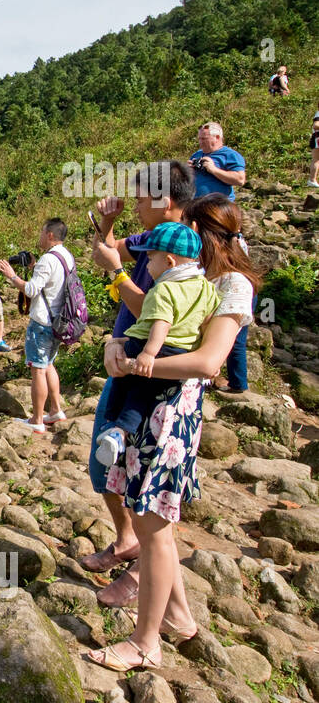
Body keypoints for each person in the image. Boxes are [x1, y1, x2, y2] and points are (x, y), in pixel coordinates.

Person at [84, 193, 260, 672]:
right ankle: (178, 618)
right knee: (151, 519)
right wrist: (115, 347)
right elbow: (151, 318)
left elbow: (207, 361)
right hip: (153, 399)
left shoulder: (233, 286)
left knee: (154, 527)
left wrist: (141, 365)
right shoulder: (195, 279)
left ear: (206, 234)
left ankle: (144, 644)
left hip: (171, 412)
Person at [83, 159, 193, 604]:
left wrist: (115, 273)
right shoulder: (150, 238)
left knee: (139, 474)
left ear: (166, 200)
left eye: (143, 196)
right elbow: (104, 252)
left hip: (151, 374)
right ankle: (128, 541)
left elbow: (159, 309)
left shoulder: (185, 246)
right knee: (105, 464)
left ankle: (147, 571)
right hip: (125, 359)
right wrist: (107, 224)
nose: (138, 204)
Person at [94, 222, 219, 466]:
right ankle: (121, 432)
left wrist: (148, 354)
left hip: (148, 345)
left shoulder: (164, 289)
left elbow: (161, 322)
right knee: (141, 392)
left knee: (122, 382)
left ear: (170, 262)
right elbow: (207, 319)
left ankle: (113, 426)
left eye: (150, 259)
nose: (147, 265)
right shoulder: (206, 287)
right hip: (178, 353)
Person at [0, 219, 73, 434]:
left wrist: (12, 276)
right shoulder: (65, 256)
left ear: (49, 234)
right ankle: (56, 410)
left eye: (41, 231)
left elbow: (30, 290)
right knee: (48, 364)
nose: (39, 235)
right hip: (58, 321)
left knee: (38, 370)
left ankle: (37, 419)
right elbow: (51, 283)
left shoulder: (48, 259)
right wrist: (33, 266)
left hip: (42, 323)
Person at [189, 121, 246, 201]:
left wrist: (213, 169)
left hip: (219, 206)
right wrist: (188, 171)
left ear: (217, 137)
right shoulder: (196, 155)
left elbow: (240, 180)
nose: (200, 142)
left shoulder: (230, 155)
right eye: (199, 139)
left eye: (204, 139)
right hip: (197, 205)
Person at [306, 111, 319, 189]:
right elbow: (316, 125)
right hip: (317, 138)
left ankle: (312, 180)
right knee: (316, 160)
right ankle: (312, 180)